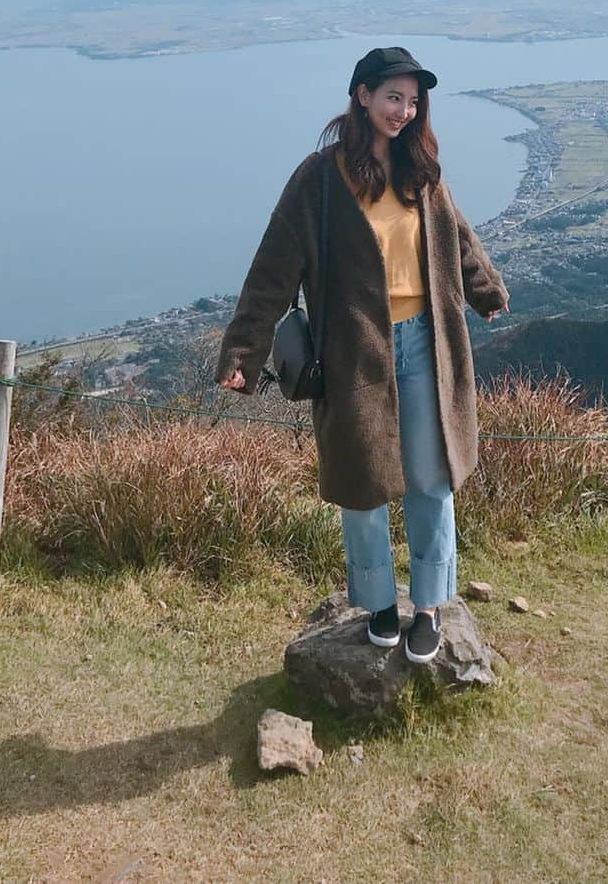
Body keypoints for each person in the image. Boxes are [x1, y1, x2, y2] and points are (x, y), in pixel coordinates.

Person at [215, 45, 509, 663]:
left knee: (431, 478)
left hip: (427, 341)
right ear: (362, 96)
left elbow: (455, 233)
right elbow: (274, 267)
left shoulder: (420, 169)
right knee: (364, 483)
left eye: (411, 99)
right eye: (391, 97)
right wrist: (244, 349)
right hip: (355, 351)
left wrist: (484, 288)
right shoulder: (319, 179)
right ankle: (378, 601)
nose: (402, 110)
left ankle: (428, 604)